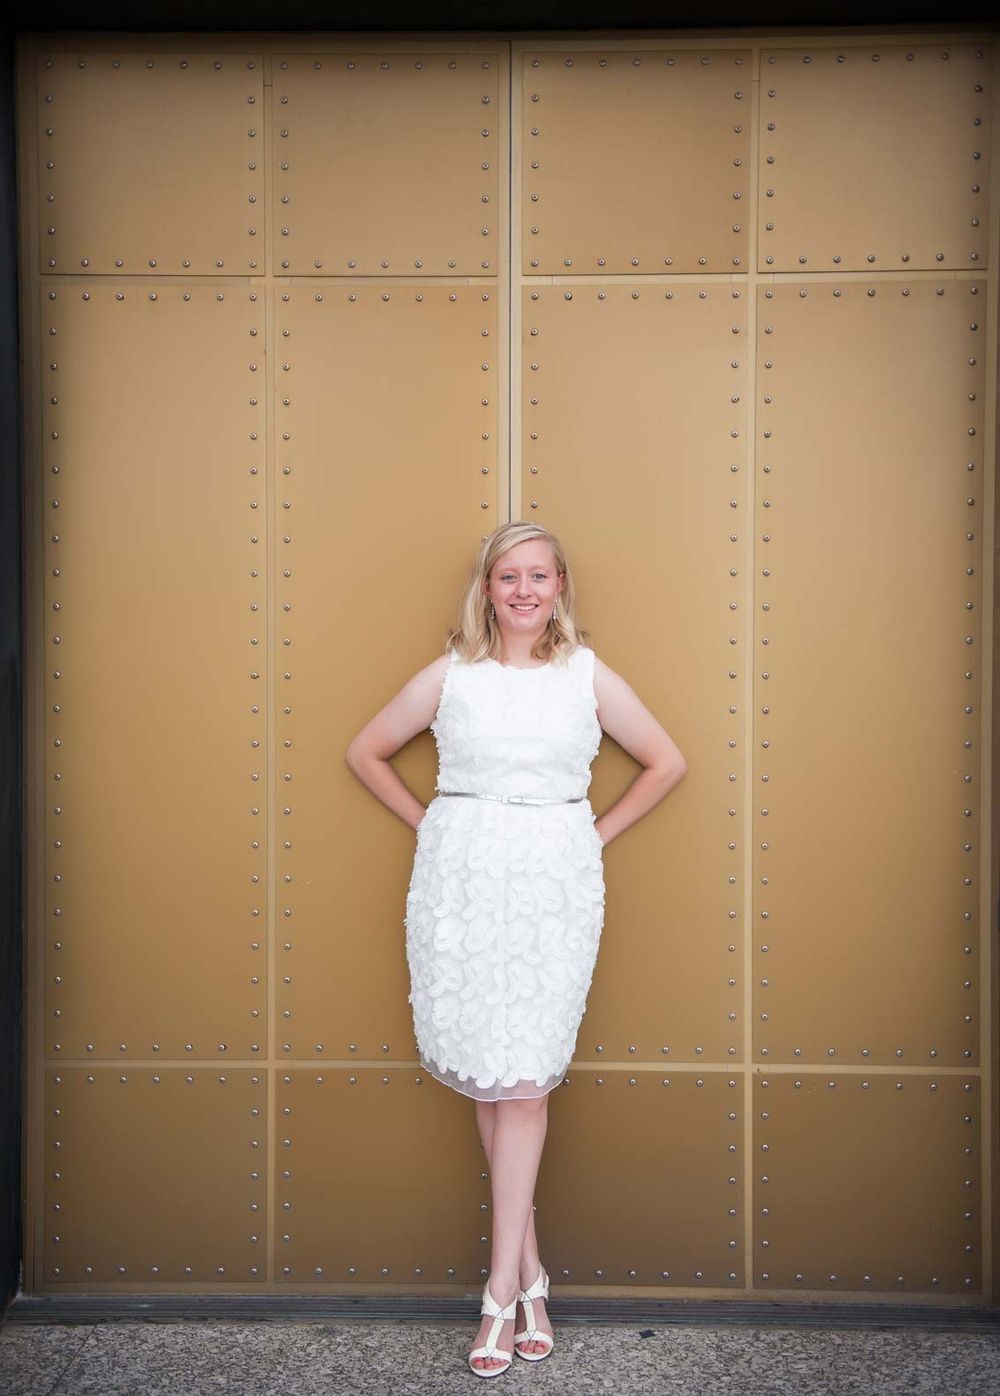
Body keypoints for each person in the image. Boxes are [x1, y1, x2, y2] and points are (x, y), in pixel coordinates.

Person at [345, 521, 687, 1377]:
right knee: (492, 1076)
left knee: (526, 1077)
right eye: (508, 577)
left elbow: (665, 762)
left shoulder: (586, 676)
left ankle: (498, 1292)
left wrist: (591, 838)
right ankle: (533, 1279)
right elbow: (367, 751)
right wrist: (437, 828)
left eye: (539, 576)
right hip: (460, 886)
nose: (525, 591)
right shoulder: (452, 675)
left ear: (561, 585)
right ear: (487, 589)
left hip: (550, 888)